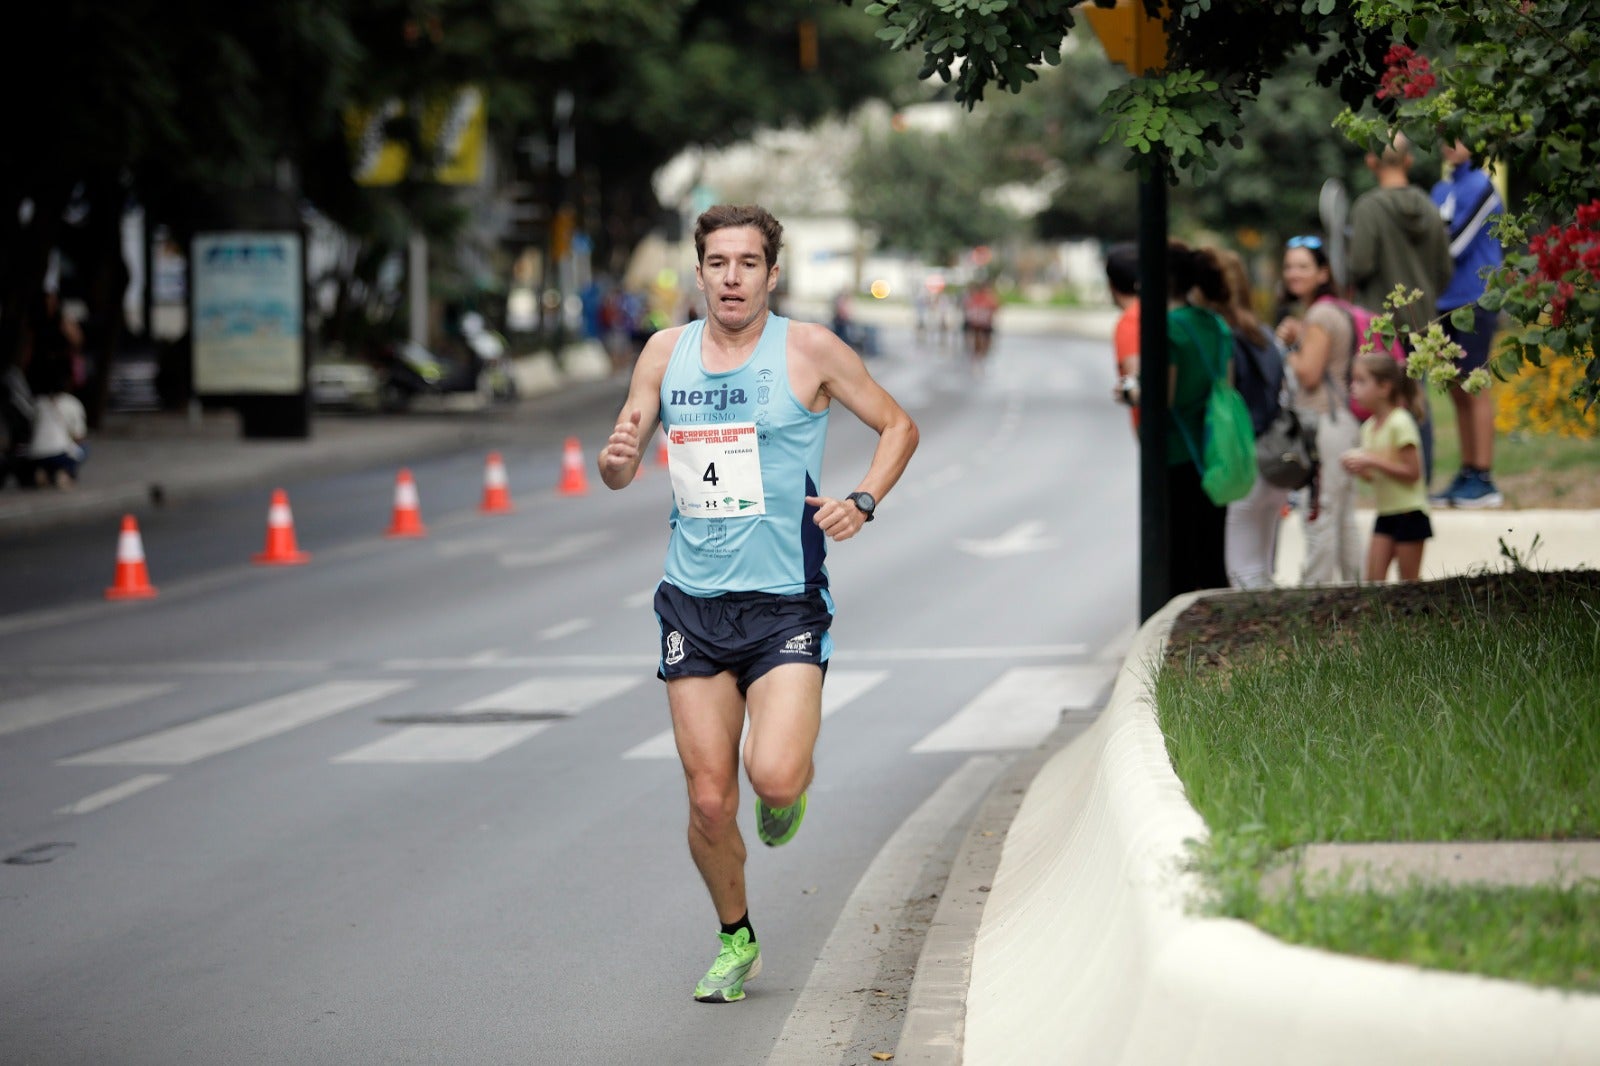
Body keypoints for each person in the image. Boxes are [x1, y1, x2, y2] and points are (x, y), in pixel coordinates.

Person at [596, 204, 918, 1005]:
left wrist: (864, 500)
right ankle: (736, 938)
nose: (732, 277)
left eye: (748, 263)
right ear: (698, 271)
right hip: (693, 603)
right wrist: (616, 458)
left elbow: (898, 426)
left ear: (772, 273)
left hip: (784, 603)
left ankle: (788, 786)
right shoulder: (664, 354)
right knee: (710, 798)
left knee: (771, 780)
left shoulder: (809, 349)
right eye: (718, 263)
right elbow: (621, 456)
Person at [1347, 132, 1453, 481]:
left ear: (1371, 161)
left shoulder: (1368, 207)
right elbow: (1444, 269)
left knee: (1385, 401)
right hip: (1422, 319)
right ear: (1408, 161)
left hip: (1380, 323)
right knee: (1416, 396)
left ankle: (1386, 476)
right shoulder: (1429, 205)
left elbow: (1360, 265)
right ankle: (1420, 477)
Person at [1276, 235, 1364, 585]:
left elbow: (1309, 373)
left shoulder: (1320, 314)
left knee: (1320, 512)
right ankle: (1357, 590)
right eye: (1288, 266)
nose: (1293, 273)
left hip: (1324, 423)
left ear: (1323, 272)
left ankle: (1314, 597)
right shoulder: (1332, 310)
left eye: (1302, 266)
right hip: (1343, 422)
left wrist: (1291, 346)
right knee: (1342, 516)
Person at [1211, 248, 1293, 589]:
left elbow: (1227, 401)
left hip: (1244, 458)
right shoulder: (1264, 334)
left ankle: (1261, 641)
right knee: (1261, 565)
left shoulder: (1224, 337)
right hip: (1275, 455)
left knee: (1241, 569)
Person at [1430, 140, 1505, 508]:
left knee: (1475, 383)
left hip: (1475, 297)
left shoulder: (1481, 184)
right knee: (1456, 387)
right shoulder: (1441, 188)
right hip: (1443, 302)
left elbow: (1455, 245)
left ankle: (1484, 477)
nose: (1448, 144)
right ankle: (1466, 471)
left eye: (1457, 135)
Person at [1162, 241, 1234, 594]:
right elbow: (1227, 387)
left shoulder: (1171, 328)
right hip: (1215, 451)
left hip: (1177, 451)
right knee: (1210, 555)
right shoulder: (1217, 325)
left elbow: (1166, 396)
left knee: (1179, 558)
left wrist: (1132, 392)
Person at [1342, 351, 1432, 581]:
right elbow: (1377, 476)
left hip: (1410, 513)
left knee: (1409, 584)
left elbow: (1413, 473)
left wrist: (1371, 460)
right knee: (1372, 580)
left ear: (1384, 387)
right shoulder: (1369, 428)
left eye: (1361, 381)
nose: (1353, 387)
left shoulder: (1400, 423)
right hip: (1385, 513)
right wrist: (1361, 470)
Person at [24, 358, 88, 488]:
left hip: (35, 453)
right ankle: (64, 472)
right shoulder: (71, 403)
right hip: (60, 453)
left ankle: (42, 471)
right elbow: (79, 436)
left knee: (49, 452)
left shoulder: (38, 403)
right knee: (84, 448)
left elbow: (30, 428)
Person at [1104, 242, 1141, 432]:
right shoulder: (1152, 311)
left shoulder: (1129, 322)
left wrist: (1126, 391)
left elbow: (1135, 382)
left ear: (1111, 284)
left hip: (1157, 438)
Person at [962, 278, 1000, 371]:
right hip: (977, 323)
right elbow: (969, 308)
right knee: (977, 340)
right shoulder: (977, 297)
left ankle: (981, 359)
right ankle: (977, 359)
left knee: (985, 341)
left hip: (985, 323)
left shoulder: (991, 298)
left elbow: (995, 309)